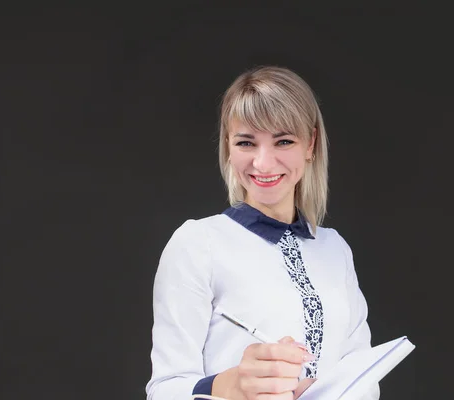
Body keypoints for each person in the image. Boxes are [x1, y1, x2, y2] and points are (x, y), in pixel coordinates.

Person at [145, 65, 380, 400]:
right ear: (228, 146)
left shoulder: (335, 249)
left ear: (310, 144)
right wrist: (231, 386)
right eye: (246, 143)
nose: (263, 164)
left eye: (283, 141)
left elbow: (365, 379)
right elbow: (164, 391)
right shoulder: (197, 244)